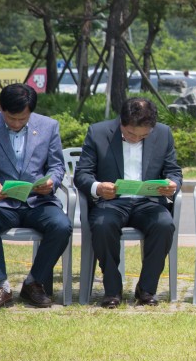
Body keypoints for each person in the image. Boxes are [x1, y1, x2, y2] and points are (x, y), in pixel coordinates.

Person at [0, 83, 71, 311]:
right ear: (0, 108)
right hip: (1, 202)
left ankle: (33, 282)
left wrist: (51, 181)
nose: (16, 124)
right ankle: (1, 286)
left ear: (31, 113)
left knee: (62, 226)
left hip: (38, 201)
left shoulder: (49, 126)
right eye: (11, 118)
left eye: (22, 120)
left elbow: (56, 166)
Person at [73, 97, 181, 307]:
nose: (135, 139)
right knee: (103, 225)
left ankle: (146, 289)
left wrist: (172, 183)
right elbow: (82, 174)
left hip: (147, 201)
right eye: (131, 134)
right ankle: (112, 290)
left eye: (143, 135)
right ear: (121, 122)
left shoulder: (163, 133)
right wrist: (98, 188)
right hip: (111, 202)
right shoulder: (98, 132)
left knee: (164, 224)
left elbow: (174, 170)